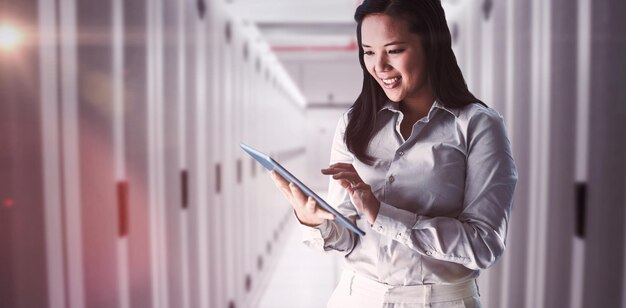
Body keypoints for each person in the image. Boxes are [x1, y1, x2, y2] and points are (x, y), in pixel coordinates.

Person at [270, 0, 517, 307]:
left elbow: (484, 244)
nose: (379, 66)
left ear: (430, 44)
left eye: (395, 50)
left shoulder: (477, 125)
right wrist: (314, 221)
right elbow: (346, 237)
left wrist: (381, 213)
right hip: (356, 296)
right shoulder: (355, 123)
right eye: (369, 52)